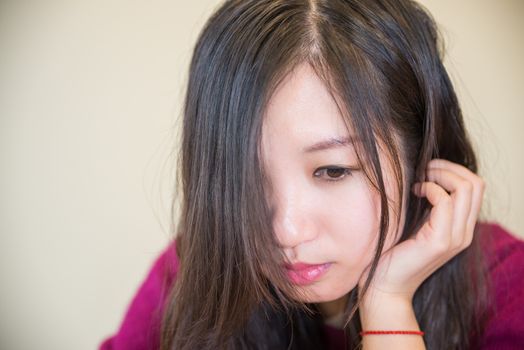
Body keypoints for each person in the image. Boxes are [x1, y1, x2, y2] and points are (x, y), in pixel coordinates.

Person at [99, 0, 524, 349]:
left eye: (333, 170)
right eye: (247, 179)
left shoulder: (507, 283)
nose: (285, 231)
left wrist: (388, 303)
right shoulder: (196, 273)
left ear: (420, 152)